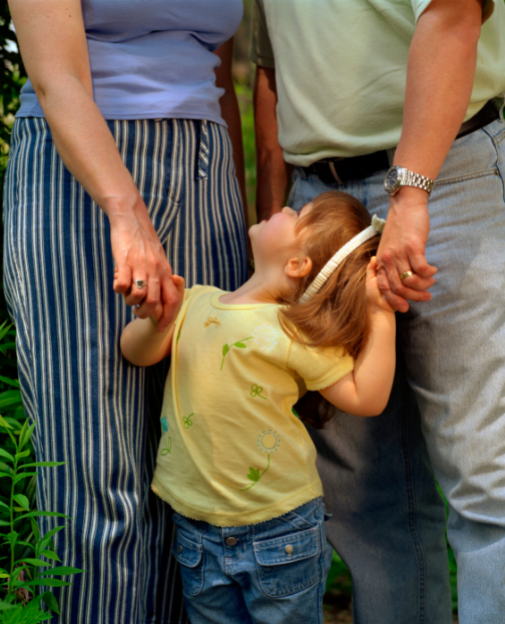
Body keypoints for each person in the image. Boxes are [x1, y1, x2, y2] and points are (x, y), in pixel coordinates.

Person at [250, 1, 505, 623]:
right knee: (365, 505)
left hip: (446, 176)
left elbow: (453, 12)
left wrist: (411, 192)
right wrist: (272, 214)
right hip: (319, 203)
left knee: (487, 485)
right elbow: (272, 68)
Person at [3, 0, 248, 622]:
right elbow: (56, 77)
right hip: (79, 175)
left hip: (206, 168)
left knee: (194, 474)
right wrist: (126, 212)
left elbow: (219, 79)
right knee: (96, 478)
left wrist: (241, 223)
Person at [120, 191, 396, 624]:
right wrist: (157, 319)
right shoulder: (193, 302)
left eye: (299, 214)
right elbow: (135, 353)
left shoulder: (295, 331)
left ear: (297, 265)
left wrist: (380, 313)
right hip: (197, 528)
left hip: (280, 529)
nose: (287, 206)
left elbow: (367, 397)